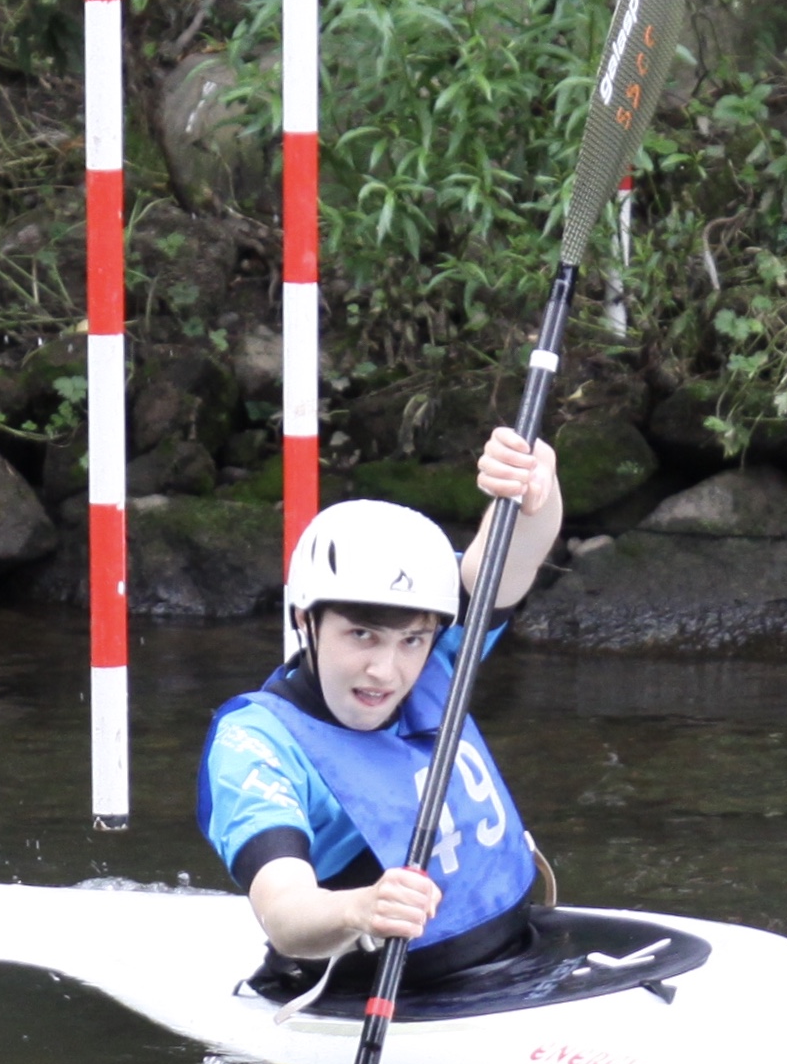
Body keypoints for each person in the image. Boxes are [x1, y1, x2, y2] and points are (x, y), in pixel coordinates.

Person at [197, 426, 564, 1002]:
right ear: (306, 620)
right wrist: (361, 909)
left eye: (411, 640)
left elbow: (511, 556)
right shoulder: (257, 743)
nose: (385, 672)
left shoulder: (440, 653)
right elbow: (284, 910)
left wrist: (533, 482)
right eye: (362, 635)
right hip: (369, 991)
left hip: (514, 953)